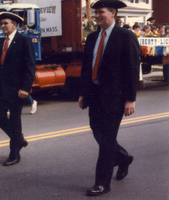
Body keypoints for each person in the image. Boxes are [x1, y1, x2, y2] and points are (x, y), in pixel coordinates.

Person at [79, 0, 140, 196]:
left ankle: (102, 183)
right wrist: (83, 93)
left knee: (106, 141)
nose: (96, 15)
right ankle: (122, 157)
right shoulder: (92, 37)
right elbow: (86, 68)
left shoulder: (126, 36)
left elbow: (132, 68)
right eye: (95, 12)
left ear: (112, 13)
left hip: (116, 97)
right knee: (97, 131)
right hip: (95, 96)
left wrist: (130, 99)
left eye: (100, 12)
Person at [0, 12, 36, 166]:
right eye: (2, 23)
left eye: (6, 23)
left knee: (15, 119)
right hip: (2, 88)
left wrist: (26, 88)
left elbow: (30, 66)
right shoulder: (1, 42)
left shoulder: (23, 40)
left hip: (17, 89)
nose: (3, 26)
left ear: (14, 24)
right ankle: (19, 139)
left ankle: (14, 154)